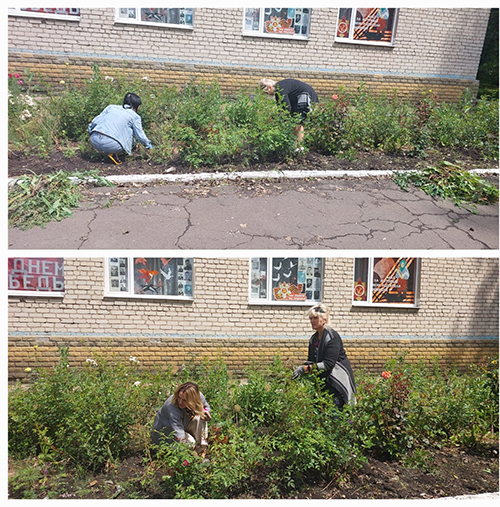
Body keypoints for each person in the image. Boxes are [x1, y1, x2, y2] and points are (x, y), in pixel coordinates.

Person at [293, 303, 356, 410]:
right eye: (311, 318)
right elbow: (311, 361)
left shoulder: (332, 337)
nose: (312, 321)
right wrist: (302, 369)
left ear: (324, 320)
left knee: (334, 413)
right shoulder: (314, 339)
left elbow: (328, 364)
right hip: (323, 380)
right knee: (319, 410)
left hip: (337, 380)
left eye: (315, 318)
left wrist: (305, 369)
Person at [88, 92, 153, 164]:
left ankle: (109, 154)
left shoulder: (110, 107)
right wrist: (148, 146)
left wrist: (90, 132)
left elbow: (94, 122)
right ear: (137, 106)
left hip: (94, 141)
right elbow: (140, 136)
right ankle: (114, 153)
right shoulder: (134, 116)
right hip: (112, 145)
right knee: (131, 137)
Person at [151, 381, 211, 451]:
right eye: (179, 398)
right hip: (167, 434)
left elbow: (205, 407)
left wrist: (205, 412)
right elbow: (178, 431)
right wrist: (185, 448)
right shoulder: (172, 406)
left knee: (201, 416)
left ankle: (201, 449)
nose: (180, 402)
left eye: (184, 400)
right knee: (190, 443)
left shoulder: (199, 396)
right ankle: (190, 453)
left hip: (184, 425)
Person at [259, 78, 318, 144]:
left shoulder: (280, 89)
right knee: (294, 120)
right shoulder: (280, 89)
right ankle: (295, 143)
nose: (269, 95)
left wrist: (279, 120)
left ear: (269, 88)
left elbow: (287, 108)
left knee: (298, 121)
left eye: (267, 93)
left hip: (305, 95)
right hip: (301, 97)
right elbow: (281, 108)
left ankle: (299, 146)